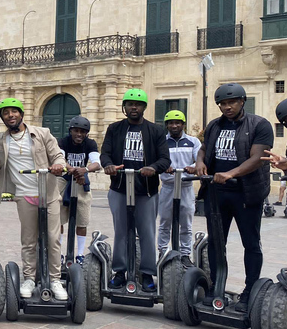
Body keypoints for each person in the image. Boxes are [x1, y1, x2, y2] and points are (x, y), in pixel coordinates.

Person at [194, 83, 273, 312]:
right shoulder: (214, 126)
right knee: (217, 242)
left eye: (232, 102)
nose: (227, 107)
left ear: (242, 101)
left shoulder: (259, 124)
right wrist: (200, 162)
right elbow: (203, 148)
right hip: (217, 193)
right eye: (223, 104)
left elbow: (258, 158)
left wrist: (231, 173)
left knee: (251, 243)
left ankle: (249, 291)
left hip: (246, 193)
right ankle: (216, 287)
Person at [0, 98, 68, 300]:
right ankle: (29, 278)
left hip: (48, 194)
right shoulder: (0, 140)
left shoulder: (42, 134)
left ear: (21, 114)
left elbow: (58, 155)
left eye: (14, 111)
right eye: (6, 113)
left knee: (53, 239)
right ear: (2, 118)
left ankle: (55, 280)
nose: (10, 115)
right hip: (24, 196)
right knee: (28, 241)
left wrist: (59, 165)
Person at [101, 88, 170, 292]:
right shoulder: (114, 129)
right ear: (124, 107)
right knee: (121, 231)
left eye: (138, 104)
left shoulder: (155, 131)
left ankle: (147, 273)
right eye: (130, 104)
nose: (134, 107)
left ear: (144, 107)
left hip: (146, 191)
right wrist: (109, 166)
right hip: (120, 188)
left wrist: (153, 168)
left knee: (147, 232)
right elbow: (105, 153)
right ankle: (120, 272)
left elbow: (165, 159)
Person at [157, 110, 200, 267]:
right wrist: (164, 166)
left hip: (186, 187)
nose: (174, 125)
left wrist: (192, 167)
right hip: (168, 186)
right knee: (165, 223)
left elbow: (200, 160)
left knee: (186, 223)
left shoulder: (193, 141)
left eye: (177, 123)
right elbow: (156, 159)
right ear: (166, 125)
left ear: (183, 124)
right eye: (170, 123)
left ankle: (185, 254)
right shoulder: (161, 141)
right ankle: (163, 252)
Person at [58, 116, 101, 267]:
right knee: (59, 219)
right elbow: (60, 159)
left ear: (87, 133)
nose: (79, 134)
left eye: (83, 132)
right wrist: (73, 170)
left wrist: (85, 170)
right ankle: (59, 254)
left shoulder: (90, 143)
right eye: (76, 131)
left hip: (81, 180)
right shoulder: (63, 142)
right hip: (64, 180)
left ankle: (80, 255)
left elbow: (97, 162)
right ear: (71, 131)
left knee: (82, 220)